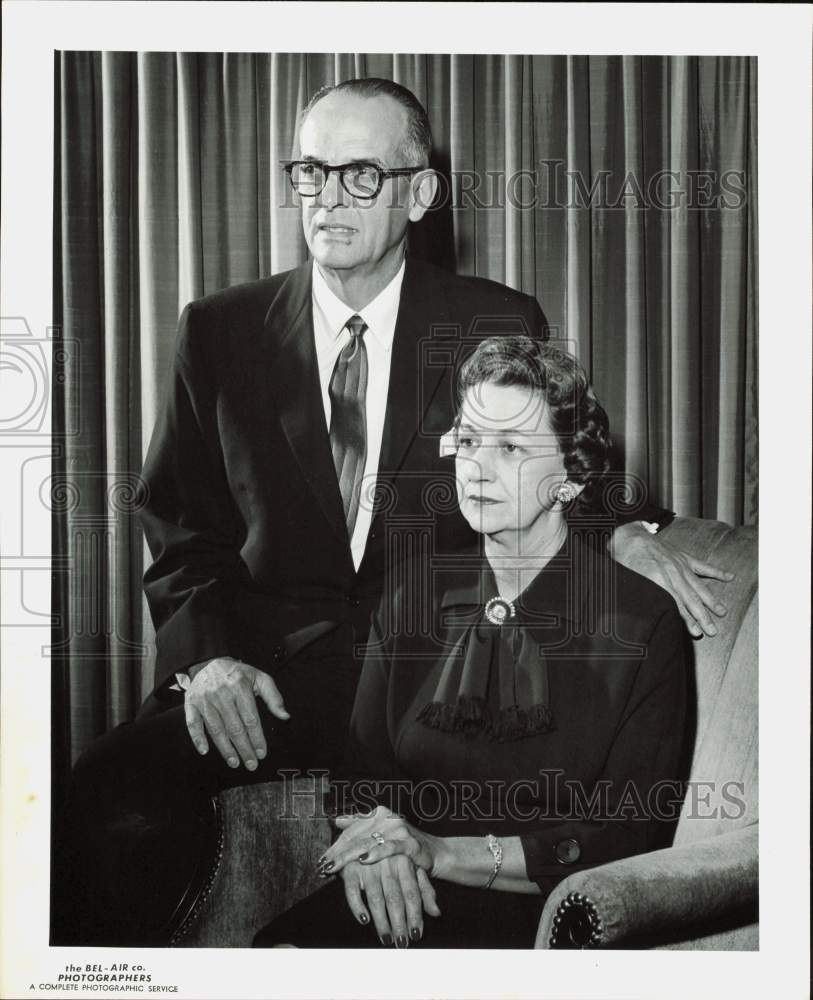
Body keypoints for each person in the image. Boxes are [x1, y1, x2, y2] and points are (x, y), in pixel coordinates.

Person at [52, 77, 726, 946]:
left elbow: (548, 452)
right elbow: (179, 527)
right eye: (309, 172)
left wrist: (631, 527)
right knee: (105, 789)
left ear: (419, 193)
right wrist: (208, 662)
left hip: (430, 671)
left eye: (360, 175)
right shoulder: (220, 330)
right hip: (272, 676)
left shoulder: (489, 318)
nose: (328, 198)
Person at [254, 337, 690, 949]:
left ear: (570, 476)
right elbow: (361, 776)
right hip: (401, 889)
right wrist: (374, 850)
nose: (476, 468)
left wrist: (439, 852)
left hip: (539, 920)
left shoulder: (642, 624)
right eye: (469, 439)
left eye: (511, 447)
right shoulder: (412, 593)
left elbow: (625, 837)